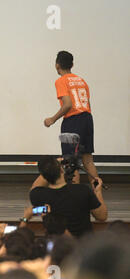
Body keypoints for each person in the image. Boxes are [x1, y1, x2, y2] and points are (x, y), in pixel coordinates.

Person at [44, 51, 99, 185]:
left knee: (70, 161)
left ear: (57, 65)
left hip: (73, 121)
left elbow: (68, 104)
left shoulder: (61, 81)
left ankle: (73, 197)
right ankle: (97, 196)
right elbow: (87, 103)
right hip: (87, 118)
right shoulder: (81, 80)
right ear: (72, 64)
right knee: (88, 160)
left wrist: (52, 119)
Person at [21, 156, 107, 238]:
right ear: (61, 170)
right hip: (84, 246)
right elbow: (102, 216)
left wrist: (51, 167)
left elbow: (35, 187)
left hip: (58, 247)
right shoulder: (83, 190)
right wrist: (98, 191)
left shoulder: (38, 195)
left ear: (44, 175)